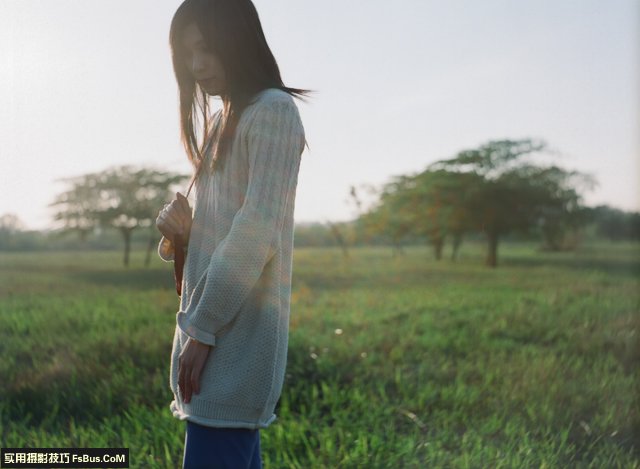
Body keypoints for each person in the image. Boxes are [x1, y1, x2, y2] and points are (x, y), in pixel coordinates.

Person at [154, 0, 309, 467]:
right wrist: (183, 232)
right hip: (214, 337)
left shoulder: (273, 111)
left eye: (207, 48)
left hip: (233, 344)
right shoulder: (224, 119)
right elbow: (223, 226)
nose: (197, 64)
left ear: (238, 41)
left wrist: (200, 332)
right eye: (187, 53)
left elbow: (256, 232)